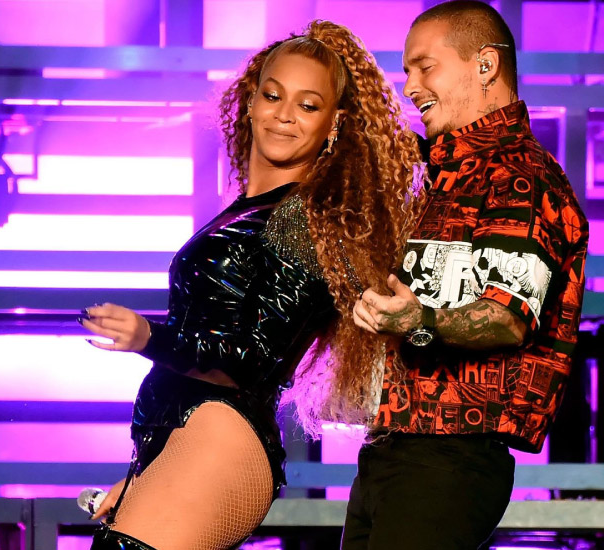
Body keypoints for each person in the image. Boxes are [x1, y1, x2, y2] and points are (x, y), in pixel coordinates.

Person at [78, 20, 422, 550]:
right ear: (250, 101)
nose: (284, 114)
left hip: (220, 438)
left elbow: (252, 359)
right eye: (273, 95)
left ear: (334, 124)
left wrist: (150, 337)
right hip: (185, 438)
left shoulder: (299, 222)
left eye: (308, 105)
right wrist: (149, 469)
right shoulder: (251, 211)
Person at [343, 2, 589, 549]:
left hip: (450, 457)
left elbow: (507, 317)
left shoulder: (521, 175)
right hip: (390, 449)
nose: (410, 87)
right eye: (407, 71)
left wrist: (418, 320)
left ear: (485, 65)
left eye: (424, 67)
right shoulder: (440, 176)